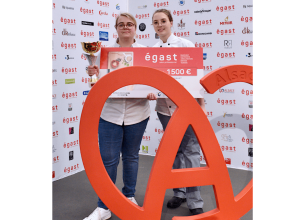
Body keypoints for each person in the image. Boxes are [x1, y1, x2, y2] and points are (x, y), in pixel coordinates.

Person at [83, 13, 150, 220]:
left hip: (137, 112)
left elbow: (151, 80)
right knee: (108, 161)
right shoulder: (103, 53)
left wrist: (152, 91)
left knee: (131, 157)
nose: (126, 27)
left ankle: (129, 196)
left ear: (135, 28)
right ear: (116, 28)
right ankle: (104, 206)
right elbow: (96, 86)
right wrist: (93, 74)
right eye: (121, 24)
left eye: (130, 24)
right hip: (110, 112)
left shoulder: (145, 53)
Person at [147, 9, 207, 216]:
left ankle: (194, 199)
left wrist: (201, 106)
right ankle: (179, 192)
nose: (160, 25)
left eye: (163, 21)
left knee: (190, 150)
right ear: (153, 26)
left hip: (187, 108)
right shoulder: (152, 50)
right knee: (174, 151)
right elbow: (151, 82)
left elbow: (197, 79)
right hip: (164, 109)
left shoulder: (186, 45)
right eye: (156, 22)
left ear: (171, 22)